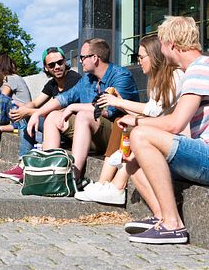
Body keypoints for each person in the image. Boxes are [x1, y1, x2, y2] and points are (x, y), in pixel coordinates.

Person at [117, 16, 209, 245]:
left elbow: (174, 124)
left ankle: (173, 225)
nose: (161, 50)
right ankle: (162, 217)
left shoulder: (202, 68)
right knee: (132, 160)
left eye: (161, 43)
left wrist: (136, 123)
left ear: (171, 44)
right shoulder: (201, 67)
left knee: (139, 136)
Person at [74, 34, 186, 205]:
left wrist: (119, 102)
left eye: (141, 57)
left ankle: (116, 187)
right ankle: (104, 184)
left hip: (176, 138)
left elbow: (154, 111)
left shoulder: (175, 75)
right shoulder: (159, 80)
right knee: (123, 119)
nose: (138, 61)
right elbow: (152, 112)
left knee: (132, 128)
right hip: (164, 131)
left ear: (154, 56)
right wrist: (120, 103)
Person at [26, 38, 139, 186]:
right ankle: (51, 173)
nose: (80, 61)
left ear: (95, 58)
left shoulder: (121, 76)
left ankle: (73, 178)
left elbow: (108, 110)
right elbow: (64, 98)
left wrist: (74, 107)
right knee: (53, 116)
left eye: (82, 57)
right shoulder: (88, 80)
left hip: (117, 135)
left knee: (84, 114)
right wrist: (37, 113)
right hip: (93, 133)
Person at [0, 47, 81, 182]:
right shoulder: (52, 83)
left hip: (73, 128)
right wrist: (22, 109)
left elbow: (59, 110)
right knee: (25, 116)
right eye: (52, 65)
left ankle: (25, 167)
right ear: (46, 68)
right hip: (57, 126)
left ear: (65, 62)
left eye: (60, 62)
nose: (57, 67)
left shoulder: (73, 78)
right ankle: (23, 164)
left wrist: (27, 112)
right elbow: (36, 103)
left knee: (33, 115)